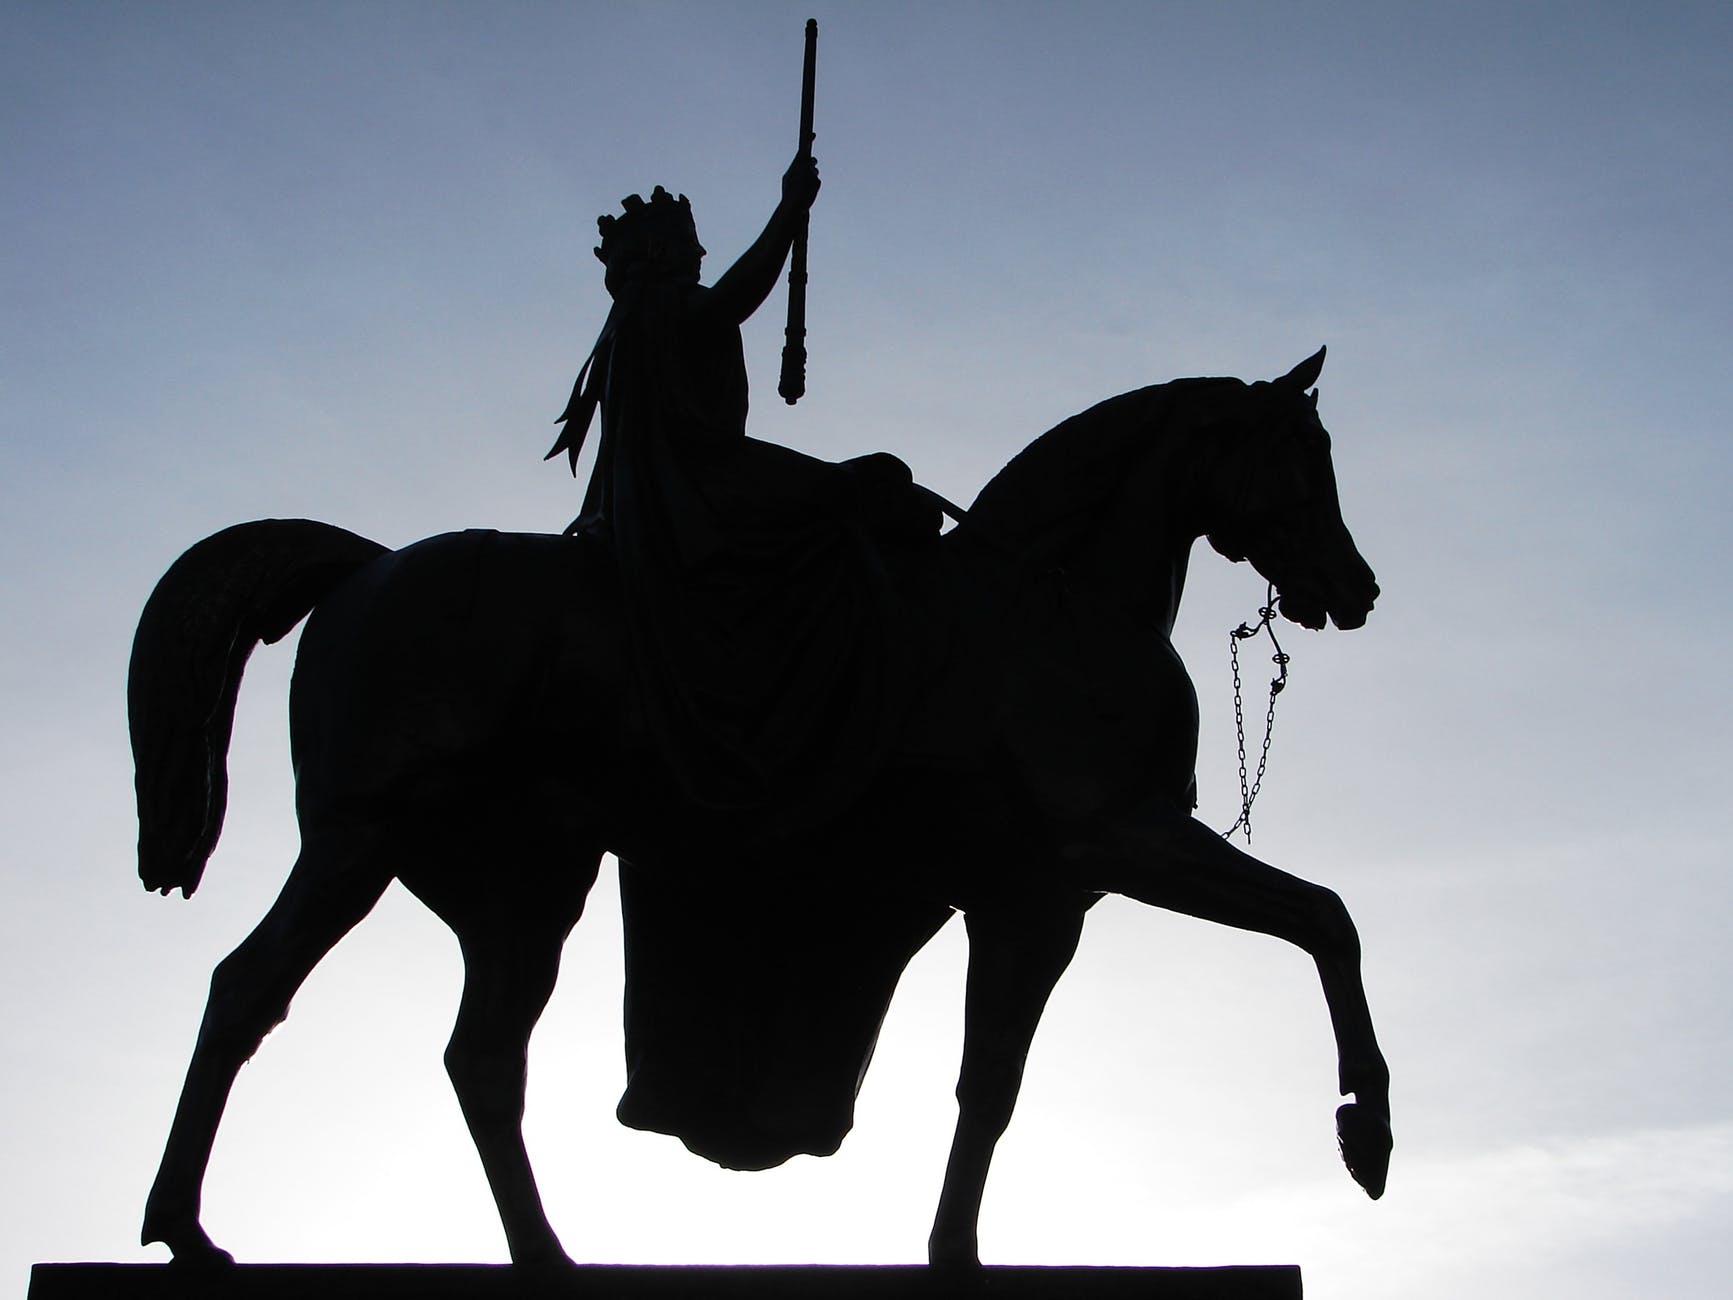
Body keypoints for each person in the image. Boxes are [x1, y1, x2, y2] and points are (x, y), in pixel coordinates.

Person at [549, 156, 936, 837]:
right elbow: (740, 294)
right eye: (692, 247)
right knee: (865, 489)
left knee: (870, 481)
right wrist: (790, 209)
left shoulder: (634, 320)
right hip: (703, 487)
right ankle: (829, 685)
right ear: (665, 253)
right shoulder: (661, 307)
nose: (701, 257)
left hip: (680, 485)